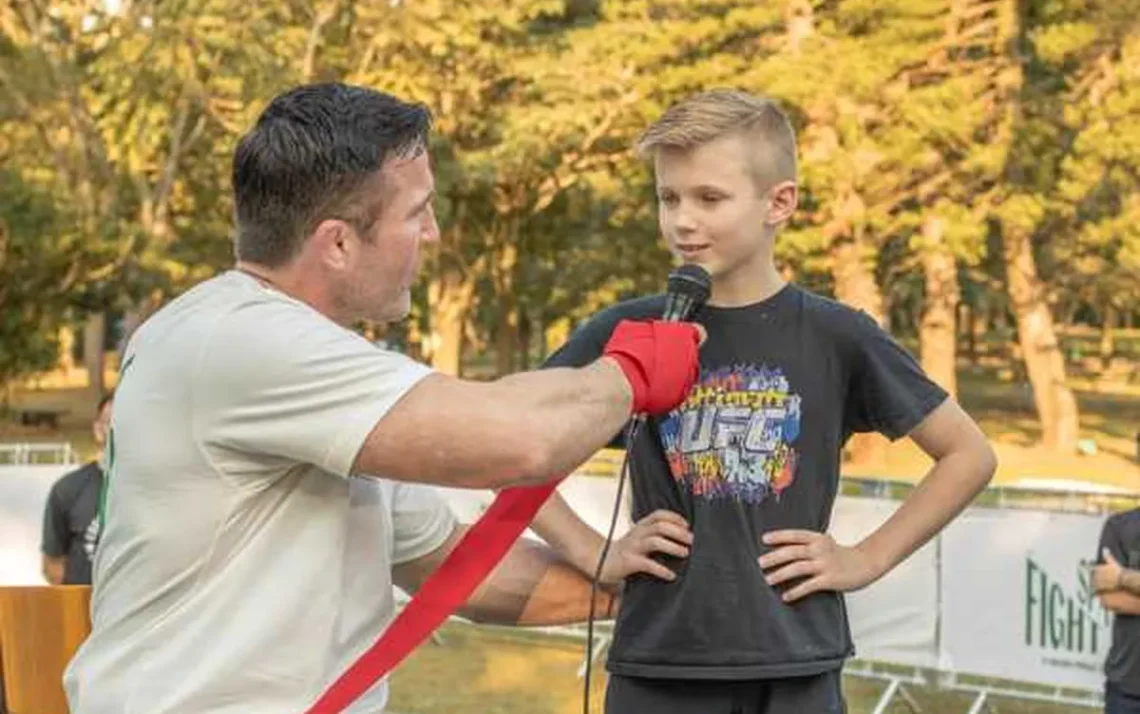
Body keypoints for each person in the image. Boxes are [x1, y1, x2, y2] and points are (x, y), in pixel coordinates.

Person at [63, 83, 701, 714]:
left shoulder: (306, 366)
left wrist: (651, 591)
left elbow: (447, 566)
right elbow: (518, 440)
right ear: (338, 242)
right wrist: (636, 369)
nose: (434, 233)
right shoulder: (240, 340)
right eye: (417, 212)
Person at [529, 89, 998, 714]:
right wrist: (596, 552)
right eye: (668, 197)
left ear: (780, 202)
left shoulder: (838, 335)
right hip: (660, 662)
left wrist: (865, 558)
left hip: (797, 661)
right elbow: (512, 452)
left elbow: (969, 454)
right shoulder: (625, 332)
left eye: (709, 198)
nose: (682, 220)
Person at [41, 393, 113, 585]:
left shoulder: (158, 491)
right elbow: (52, 564)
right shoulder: (68, 490)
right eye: (111, 424)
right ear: (98, 430)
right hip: (81, 609)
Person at [1094, 507, 1140, 713]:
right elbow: (1111, 598)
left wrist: (1123, 577)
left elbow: (1117, 586)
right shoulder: (1119, 526)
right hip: (1127, 690)